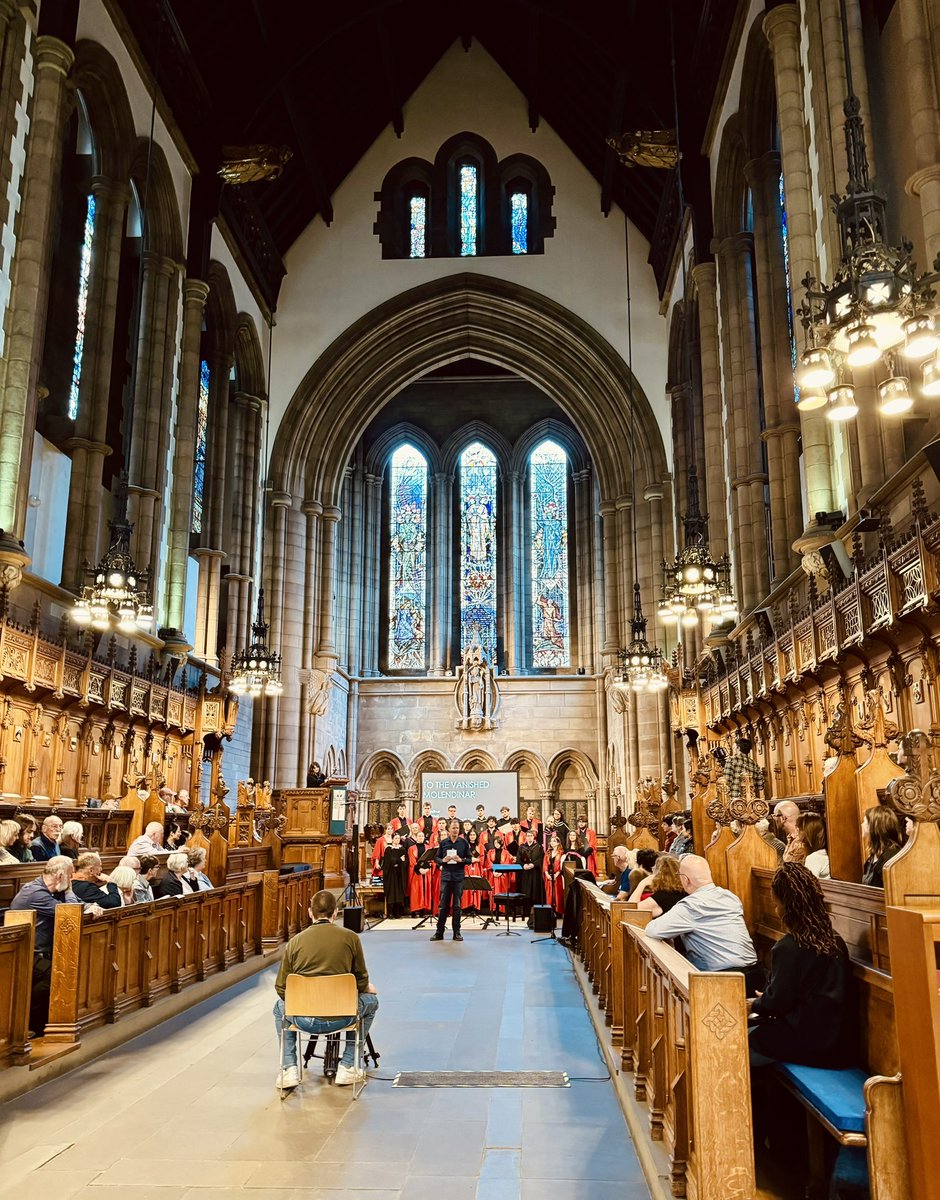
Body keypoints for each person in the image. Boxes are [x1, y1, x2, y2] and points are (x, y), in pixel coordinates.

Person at [748, 863, 853, 1068]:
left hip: (809, 1040)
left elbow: (776, 1003)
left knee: (737, 1047)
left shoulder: (789, 947)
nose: (776, 911)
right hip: (839, 1042)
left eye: (776, 905)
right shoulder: (835, 940)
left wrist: (756, 1003)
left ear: (788, 907)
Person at [273, 889, 379, 1089]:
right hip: (343, 1016)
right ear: (335, 912)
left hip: (303, 1019)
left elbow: (281, 987)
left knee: (280, 1007)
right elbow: (361, 978)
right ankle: (348, 1066)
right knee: (371, 1002)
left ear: (310, 913)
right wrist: (365, 988)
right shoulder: (350, 938)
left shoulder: (294, 942)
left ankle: (288, 1069)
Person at [11, 856, 101, 1033]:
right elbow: (70, 913)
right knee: (55, 976)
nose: (73, 877)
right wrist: (69, 892)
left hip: (44, 952)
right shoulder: (35, 892)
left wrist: (92, 905)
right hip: (25, 953)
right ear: (60, 875)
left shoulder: (54, 889)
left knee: (68, 969)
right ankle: (32, 1025)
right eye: (70, 874)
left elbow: (80, 906)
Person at [645, 856, 760, 981]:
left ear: (685, 879)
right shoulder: (730, 897)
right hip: (754, 974)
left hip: (720, 979)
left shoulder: (691, 906)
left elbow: (652, 930)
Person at [431, 818, 470, 941]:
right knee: (443, 906)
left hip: (458, 877)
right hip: (446, 877)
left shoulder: (463, 843)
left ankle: (456, 933)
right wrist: (443, 860)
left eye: (457, 828)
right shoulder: (443, 843)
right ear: (449, 829)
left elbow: (469, 859)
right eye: (453, 828)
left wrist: (461, 860)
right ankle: (439, 932)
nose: (455, 830)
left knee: (457, 906)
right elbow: (436, 858)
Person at [861, 805, 905, 888]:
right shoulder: (872, 857)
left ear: (874, 827)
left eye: (865, 821)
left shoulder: (891, 856)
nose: (862, 825)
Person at [381, 830, 407, 917]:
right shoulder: (388, 849)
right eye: (395, 838)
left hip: (399, 873)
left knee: (399, 892)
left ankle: (397, 912)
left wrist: (398, 862)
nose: (397, 840)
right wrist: (398, 860)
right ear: (392, 839)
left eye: (398, 838)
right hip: (391, 874)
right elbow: (389, 861)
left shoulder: (402, 849)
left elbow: (405, 861)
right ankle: (390, 912)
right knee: (392, 892)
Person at [518, 827, 545, 912]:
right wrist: (523, 865)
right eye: (528, 836)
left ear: (534, 837)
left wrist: (533, 864)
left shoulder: (539, 847)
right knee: (525, 891)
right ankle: (525, 911)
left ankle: (535, 911)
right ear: (525, 837)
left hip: (535, 872)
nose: (529, 837)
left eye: (531, 836)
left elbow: (541, 859)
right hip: (525, 873)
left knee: (534, 891)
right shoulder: (521, 847)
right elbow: (518, 859)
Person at [795, 812, 829, 879]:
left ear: (808, 832)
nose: (797, 832)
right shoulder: (826, 853)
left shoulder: (814, 858)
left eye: (799, 829)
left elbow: (808, 886)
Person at [772, 801, 805, 865]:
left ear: (783, 818)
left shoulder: (801, 840)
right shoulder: (791, 837)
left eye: (775, 816)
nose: (774, 819)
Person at [408, 830, 431, 915]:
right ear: (416, 838)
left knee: (425, 890)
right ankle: (415, 910)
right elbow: (412, 861)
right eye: (419, 836)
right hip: (416, 872)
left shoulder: (428, 847)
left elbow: (430, 860)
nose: (421, 837)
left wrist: (427, 869)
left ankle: (423, 910)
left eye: (422, 836)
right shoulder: (411, 848)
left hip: (426, 872)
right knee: (416, 891)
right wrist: (419, 870)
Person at [543, 831, 566, 915]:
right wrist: (546, 874)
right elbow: (545, 864)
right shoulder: (548, 853)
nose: (552, 843)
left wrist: (557, 874)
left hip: (557, 876)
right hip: (548, 875)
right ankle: (550, 910)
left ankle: (558, 911)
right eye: (551, 841)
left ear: (558, 843)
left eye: (554, 841)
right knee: (549, 893)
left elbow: (561, 865)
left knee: (557, 893)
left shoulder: (561, 853)